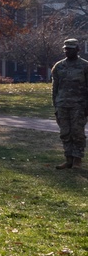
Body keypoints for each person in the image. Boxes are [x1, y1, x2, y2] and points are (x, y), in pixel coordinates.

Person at [52, 38, 88, 170]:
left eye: (70, 49)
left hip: (79, 105)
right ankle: (68, 159)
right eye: (66, 49)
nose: (67, 51)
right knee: (65, 132)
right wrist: (55, 105)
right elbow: (55, 87)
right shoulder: (59, 66)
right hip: (62, 105)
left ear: (77, 50)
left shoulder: (85, 66)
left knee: (77, 133)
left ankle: (77, 159)